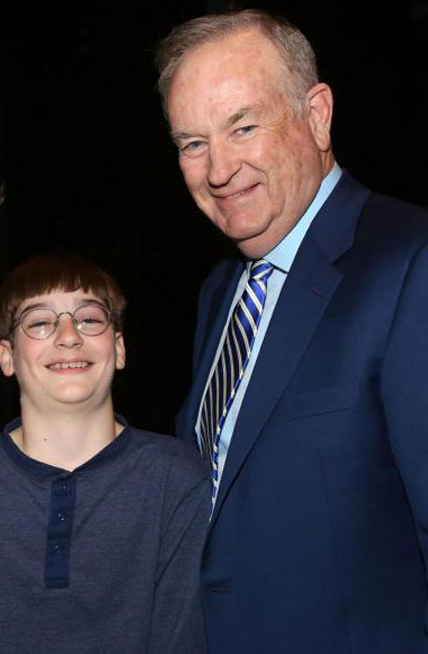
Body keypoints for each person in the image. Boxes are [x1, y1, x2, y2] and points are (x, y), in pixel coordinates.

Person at [155, 9, 428, 653]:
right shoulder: (219, 293)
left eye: (244, 127)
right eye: (193, 144)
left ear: (317, 115)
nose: (218, 170)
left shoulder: (410, 262)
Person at [0, 253, 208, 654]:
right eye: (40, 322)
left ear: (118, 348)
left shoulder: (177, 480)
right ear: (7, 356)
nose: (69, 335)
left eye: (89, 318)